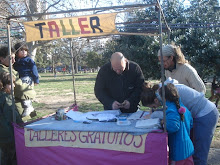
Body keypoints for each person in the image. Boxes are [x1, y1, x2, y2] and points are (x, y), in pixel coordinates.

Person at [140, 78, 219, 165]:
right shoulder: (173, 99)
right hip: (187, 148)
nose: (156, 108)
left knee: (200, 153)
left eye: (154, 106)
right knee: (195, 154)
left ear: (156, 100)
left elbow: (172, 125)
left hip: (206, 114)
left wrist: (162, 121)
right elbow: (188, 122)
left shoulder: (172, 107)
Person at [142, 83, 194, 164]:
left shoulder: (172, 110)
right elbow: (190, 124)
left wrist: (162, 122)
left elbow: (172, 127)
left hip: (178, 152)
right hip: (188, 148)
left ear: (164, 98)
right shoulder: (183, 108)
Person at [0, 46, 36, 119]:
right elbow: (20, 87)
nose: (14, 61)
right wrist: (32, 93)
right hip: (10, 105)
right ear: (2, 59)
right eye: (11, 58)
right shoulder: (5, 71)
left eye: (14, 58)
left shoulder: (9, 69)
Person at [0, 72, 23, 165]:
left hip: (3, 135)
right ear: (3, 85)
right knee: (11, 157)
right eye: (10, 84)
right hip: (9, 135)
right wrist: (21, 127)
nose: (13, 86)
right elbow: (12, 117)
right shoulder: (6, 98)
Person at [14, 42, 39, 117]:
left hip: (26, 78)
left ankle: (28, 107)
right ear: (16, 52)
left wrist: (36, 80)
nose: (24, 52)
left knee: (25, 93)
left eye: (25, 50)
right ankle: (29, 108)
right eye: (21, 50)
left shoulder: (28, 60)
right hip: (19, 78)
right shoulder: (15, 60)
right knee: (20, 94)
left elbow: (34, 70)